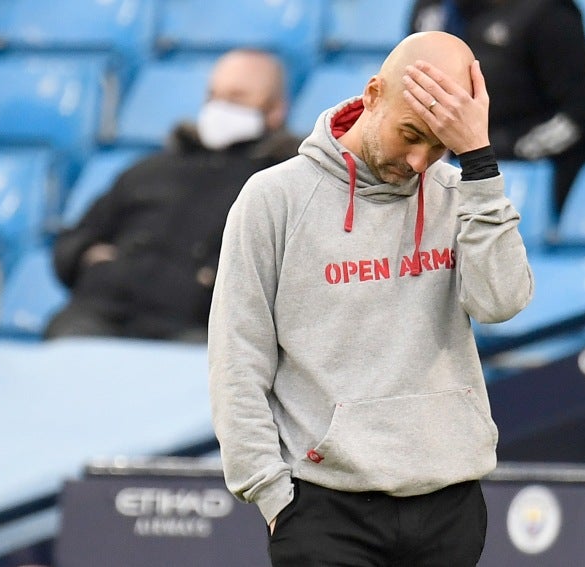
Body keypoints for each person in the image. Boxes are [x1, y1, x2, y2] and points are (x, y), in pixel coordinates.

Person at [208, 31, 534, 565]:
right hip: (323, 510)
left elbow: (501, 302)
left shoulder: (462, 196)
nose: (418, 160)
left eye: (439, 145)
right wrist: (270, 495)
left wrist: (478, 163)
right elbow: (237, 362)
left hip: (448, 505)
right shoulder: (274, 199)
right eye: (411, 133)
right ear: (373, 93)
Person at [45, 49, 302, 342]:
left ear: (276, 110)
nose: (219, 107)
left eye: (237, 97)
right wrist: (89, 258)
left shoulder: (285, 183)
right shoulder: (152, 168)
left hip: (197, 331)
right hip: (99, 316)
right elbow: (72, 242)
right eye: (213, 95)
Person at [409, 0, 585, 216]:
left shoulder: (550, 13)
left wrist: (495, 151)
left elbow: (577, 117)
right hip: (433, 168)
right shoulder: (430, 9)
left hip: (513, 171)